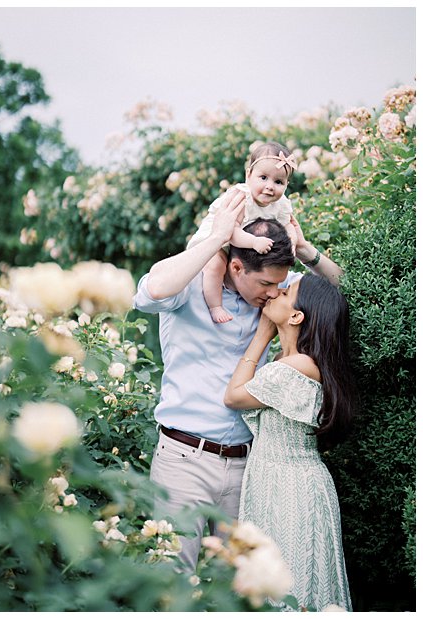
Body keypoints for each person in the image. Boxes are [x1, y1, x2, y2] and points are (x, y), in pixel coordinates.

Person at [132, 189, 343, 569]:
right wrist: (216, 238)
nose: (274, 293)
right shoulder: (192, 286)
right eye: (266, 286)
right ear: (236, 268)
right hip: (184, 459)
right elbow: (149, 293)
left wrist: (307, 251)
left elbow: (339, 290)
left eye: (279, 286)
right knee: (171, 580)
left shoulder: (274, 291)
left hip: (249, 467)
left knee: (239, 588)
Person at [224, 274, 353, 610]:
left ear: (297, 316)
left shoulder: (292, 368)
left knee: (288, 588)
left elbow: (234, 396)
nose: (278, 292)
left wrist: (261, 335)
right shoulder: (292, 363)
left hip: (290, 489)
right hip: (284, 480)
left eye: (287, 291)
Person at [187, 142, 298, 324]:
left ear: (286, 184)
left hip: (241, 246)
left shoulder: (281, 204)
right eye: (263, 178)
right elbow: (230, 233)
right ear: (249, 175)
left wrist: (292, 242)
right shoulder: (241, 197)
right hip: (216, 241)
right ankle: (215, 306)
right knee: (216, 265)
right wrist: (254, 242)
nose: (270, 186)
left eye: (278, 182)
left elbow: (289, 226)